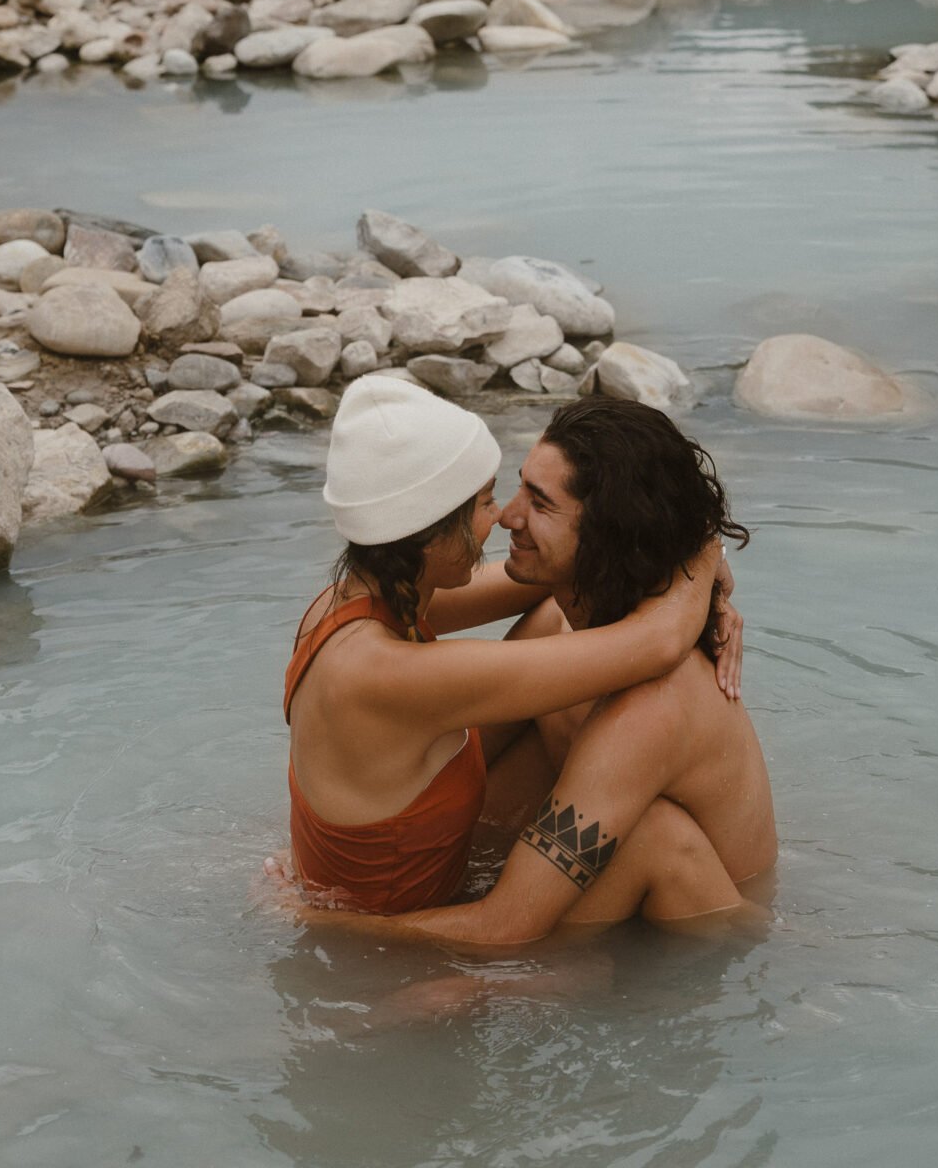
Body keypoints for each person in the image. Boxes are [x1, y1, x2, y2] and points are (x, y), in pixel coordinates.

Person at [282, 373, 736, 918]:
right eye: (485, 502)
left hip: (408, 869)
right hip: (394, 949)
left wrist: (673, 539)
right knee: (656, 828)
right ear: (427, 531)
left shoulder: (348, 603)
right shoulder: (386, 674)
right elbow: (659, 639)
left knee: (554, 618)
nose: (501, 518)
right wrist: (707, 551)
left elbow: (566, 567)